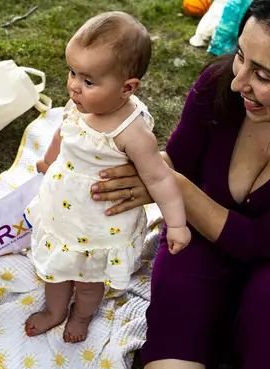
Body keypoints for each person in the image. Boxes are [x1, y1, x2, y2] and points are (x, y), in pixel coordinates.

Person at [90, 0, 270, 369]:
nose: (239, 82)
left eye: (263, 75)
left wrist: (172, 183)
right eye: (241, 56)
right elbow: (179, 160)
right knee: (178, 286)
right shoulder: (219, 85)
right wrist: (134, 171)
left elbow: (259, 240)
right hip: (203, 234)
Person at [24, 11, 191, 344]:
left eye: (88, 80)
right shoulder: (79, 104)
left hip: (100, 223)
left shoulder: (131, 132)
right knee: (56, 271)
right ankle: (54, 310)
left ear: (127, 88)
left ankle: (82, 314)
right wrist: (49, 160)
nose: (73, 85)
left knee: (88, 282)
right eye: (72, 72)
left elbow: (159, 179)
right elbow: (64, 131)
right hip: (63, 210)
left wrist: (176, 223)